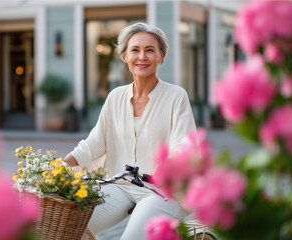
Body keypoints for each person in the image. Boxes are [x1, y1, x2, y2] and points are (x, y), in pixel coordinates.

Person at [63, 22, 196, 239]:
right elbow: (95, 142)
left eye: (150, 50)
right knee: (71, 225)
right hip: (121, 186)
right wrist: (59, 166)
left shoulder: (176, 96)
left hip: (162, 192)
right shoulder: (115, 97)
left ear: (161, 56)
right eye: (135, 50)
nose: (142, 56)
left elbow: (184, 148)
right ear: (125, 55)